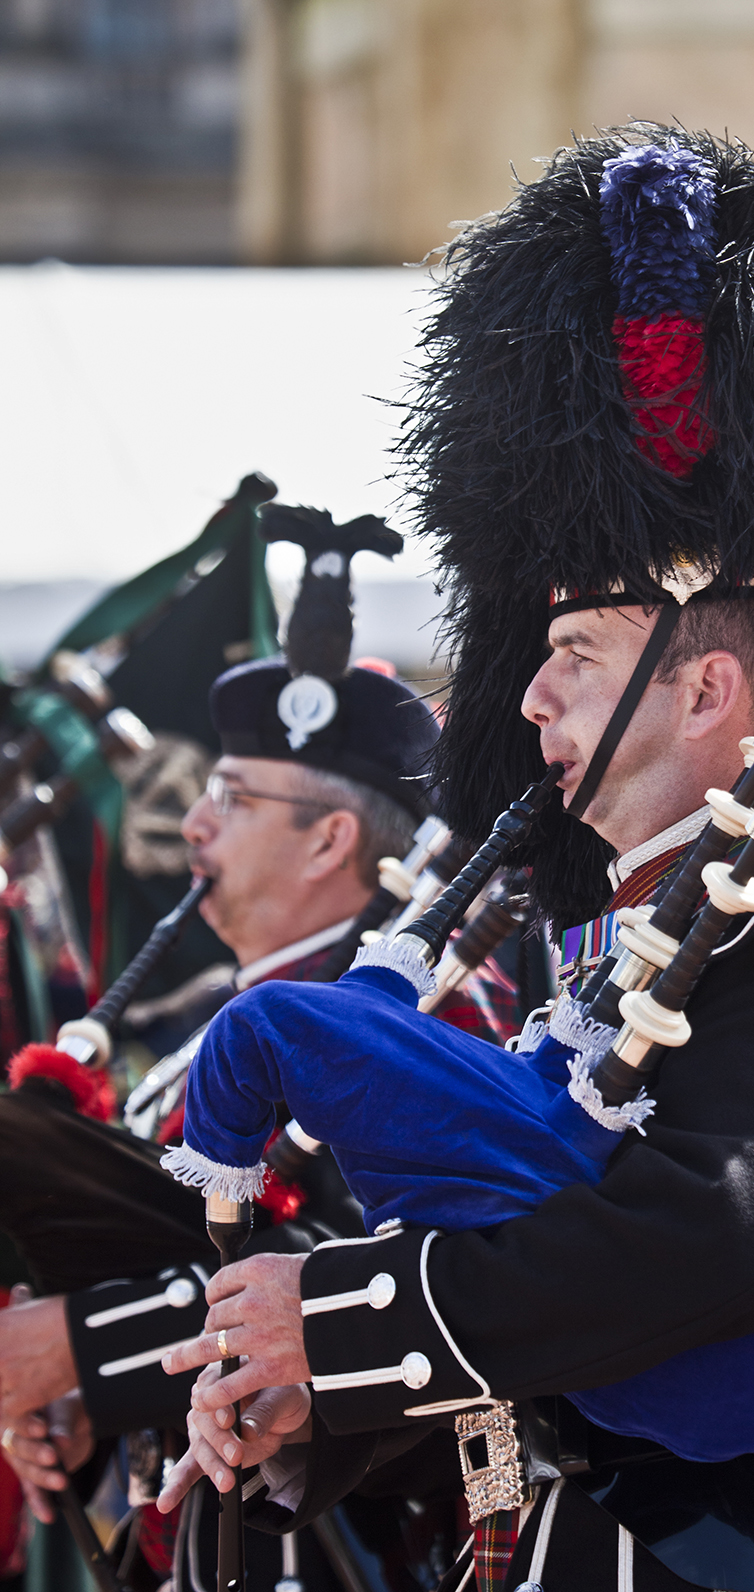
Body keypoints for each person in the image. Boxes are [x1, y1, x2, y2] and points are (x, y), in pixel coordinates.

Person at [156, 129, 754, 1591]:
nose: (528, 701)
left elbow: (717, 1243)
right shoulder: (605, 932)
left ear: (706, 692)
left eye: (571, 655)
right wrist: (314, 1398)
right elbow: (544, 1321)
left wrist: (350, 1316)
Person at [0, 505, 452, 1589]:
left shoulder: (424, 1021)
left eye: (233, 798)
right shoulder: (180, 1026)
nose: (193, 827)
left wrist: (81, 1348)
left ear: (331, 838)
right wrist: (76, 1415)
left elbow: (385, 1277)